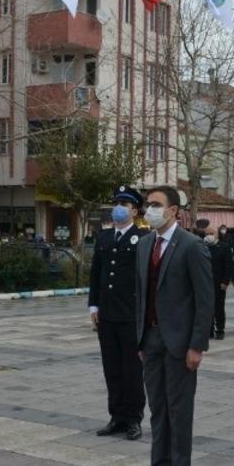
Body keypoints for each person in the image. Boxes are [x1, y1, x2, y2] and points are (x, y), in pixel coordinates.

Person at [133, 186, 213, 466]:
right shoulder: (144, 245)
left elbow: (205, 300)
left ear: (174, 211)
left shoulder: (192, 246)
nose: (149, 209)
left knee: (179, 411)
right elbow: (141, 294)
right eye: (147, 204)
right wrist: (140, 339)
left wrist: (197, 345)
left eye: (156, 204)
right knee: (158, 410)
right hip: (150, 339)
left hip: (180, 343)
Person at [89, 186, 146, 441]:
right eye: (117, 202)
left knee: (132, 370)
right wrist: (94, 305)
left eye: (124, 203)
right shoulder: (103, 238)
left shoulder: (143, 237)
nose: (118, 207)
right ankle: (117, 417)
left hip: (131, 315)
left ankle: (134, 419)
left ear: (134, 210)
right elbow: (96, 274)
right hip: (107, 315)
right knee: (111, 368)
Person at [206, 227, 234, 340]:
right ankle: (209, 329)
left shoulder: (224, 247)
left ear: (216, 235)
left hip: (218, 282)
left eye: (211, 233)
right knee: (207, 307)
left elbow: (228, 265)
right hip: (205, 282)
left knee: (218, 307)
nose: (209, 235)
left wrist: (225, 281)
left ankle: (220, 329)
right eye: (207, 233)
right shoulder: (202, 246)